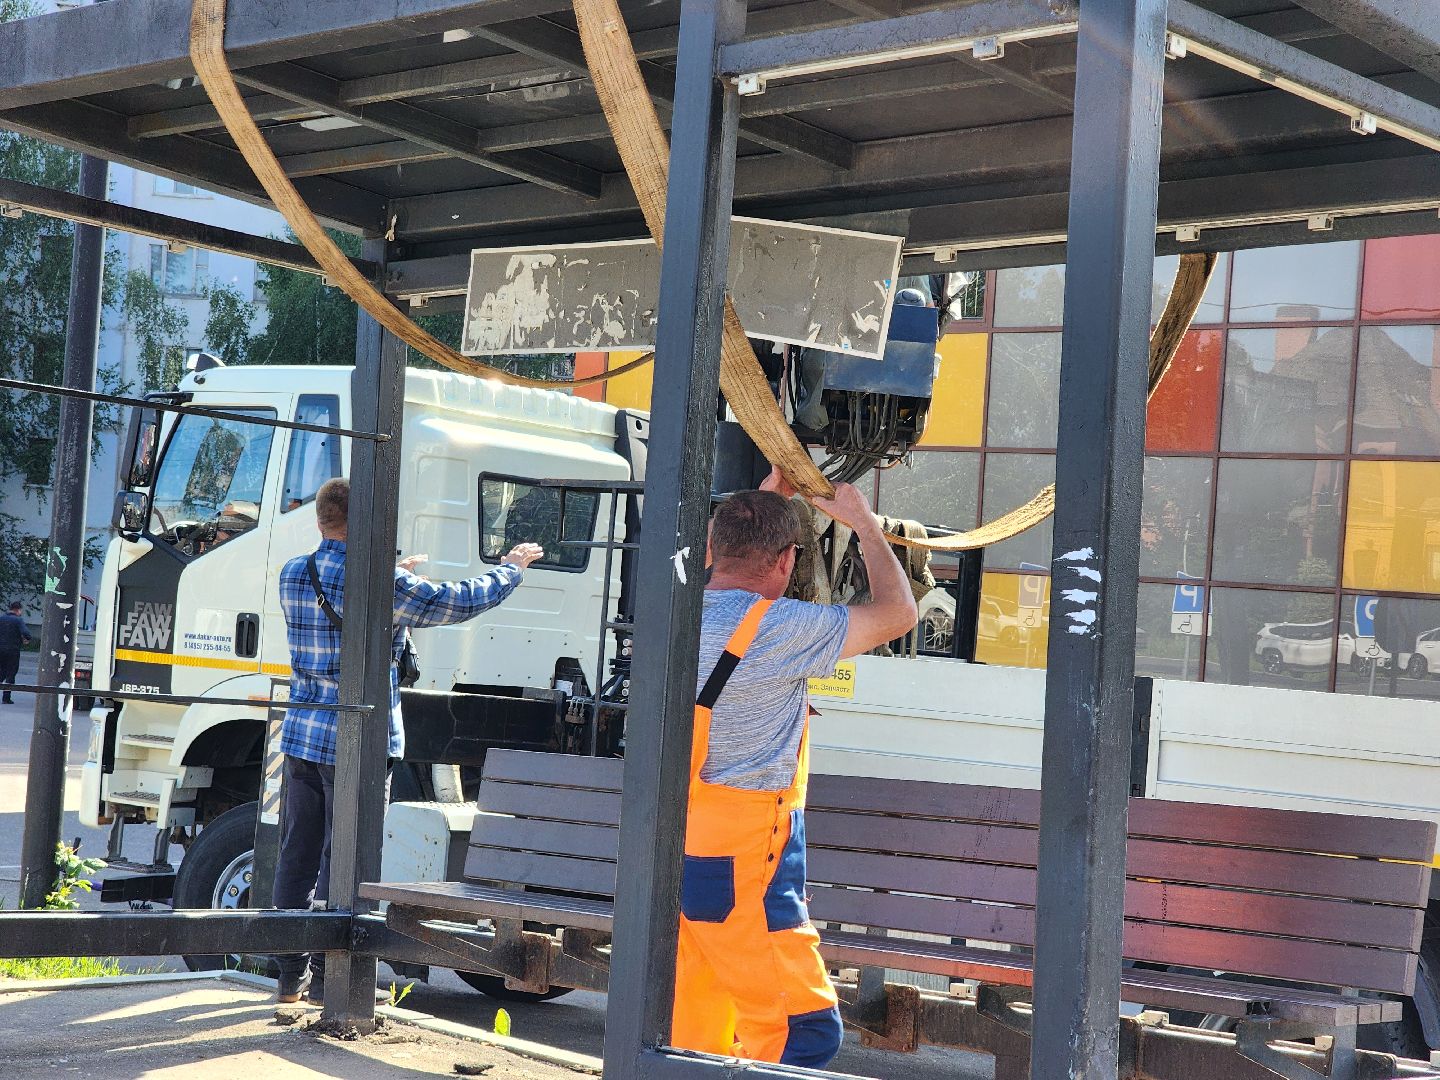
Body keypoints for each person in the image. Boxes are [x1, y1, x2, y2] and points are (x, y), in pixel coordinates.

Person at [673, 468, 919, 1068]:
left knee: (695, 1037)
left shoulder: (672, 611)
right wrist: (862, 522)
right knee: (801, 1032)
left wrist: (769, 497)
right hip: (748, 864)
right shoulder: (780, 630)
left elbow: (736, 553)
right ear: (787, 561)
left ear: (713, 549)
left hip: (680, 852)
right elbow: (898, 612)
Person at [270, 476, 545, 1004]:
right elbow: (454, 602)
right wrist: (512, 567)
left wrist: (398, 580)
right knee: (345, 860)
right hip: (359, 742)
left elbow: (355, 611)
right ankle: (335, 983)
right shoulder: (381, 581)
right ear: (370, 520)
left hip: (303, 735)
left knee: (296, 857)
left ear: (322, 520)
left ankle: (288, 978)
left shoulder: (294, 572)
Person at [0, 601, 32, 704]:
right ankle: (6, 697)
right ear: (18, 610)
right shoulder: (18, 620)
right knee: (11, 674)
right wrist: (27, 639)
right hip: (12, 651)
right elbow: (26, 632)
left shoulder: (1, 619)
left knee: (1, 672)